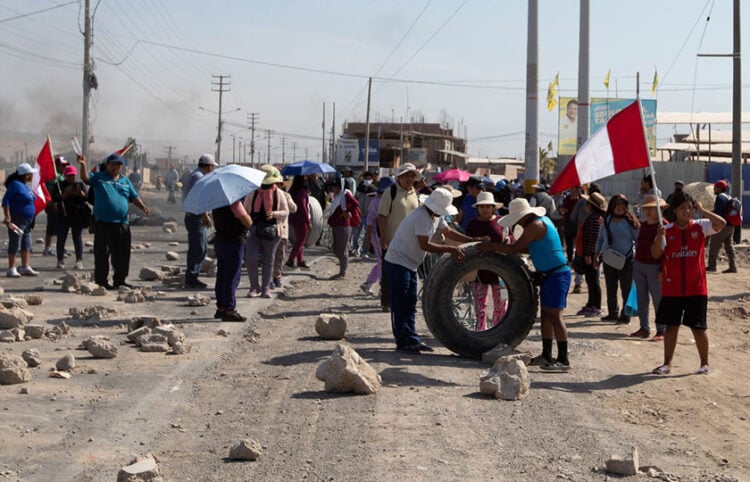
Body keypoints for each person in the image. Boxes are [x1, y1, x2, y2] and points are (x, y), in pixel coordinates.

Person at [478, 197, 572, 371]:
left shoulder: (535, 226)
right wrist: (500, 246)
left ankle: (563, 359)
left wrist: (492, 246)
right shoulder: (539, 223)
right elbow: (526, 248)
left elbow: (515, 249)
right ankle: (546, 355)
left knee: (555, 315)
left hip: (557, 274)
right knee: (546, 315)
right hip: (550, 274)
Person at [384, 188, 480, 353]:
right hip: (398, 262)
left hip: (411, 263)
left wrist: (471, 240)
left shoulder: (435, 215)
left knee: (411, 301)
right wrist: (451, 249)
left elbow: (448, 231)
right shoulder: (421, 216)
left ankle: (412, 338)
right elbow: (425, 245)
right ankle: (402, 340)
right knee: (401, 303)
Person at [651, 191, 725, 375]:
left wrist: (702, 210)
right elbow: (655, 254)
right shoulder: (665, 231)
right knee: (671, 327)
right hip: (672, 289)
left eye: (689, 208)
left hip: (696, 288)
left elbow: (722, 224)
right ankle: (667, 364)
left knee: (698, 327)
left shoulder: (701, 226)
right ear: (674, 211)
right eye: (682, 208)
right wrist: (659, 237)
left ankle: (704, 363)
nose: (687, 211)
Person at [78, 153, 150, 289]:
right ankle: (101, 281)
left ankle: (120, 280)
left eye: (118, 164)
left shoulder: (125, 181)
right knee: (102, 254)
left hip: (122, 223)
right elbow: (85, 178)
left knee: (122, 254)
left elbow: (134, 196)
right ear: (107, 165)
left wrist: (143, 207)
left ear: (121, 166)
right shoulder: (99, 178)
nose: (115, 167)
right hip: (103, 223)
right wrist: (82, 164)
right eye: (112, 164)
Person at [377, 163, 421, 312]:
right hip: (392, 240)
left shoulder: (415, 194)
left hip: (410, 242)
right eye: (405, 176)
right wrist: (383, 237)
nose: (409, 179)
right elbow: (382, 216)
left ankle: (407, 301)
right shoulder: (391, 192)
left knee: (409, 273)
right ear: (399, 177)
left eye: (411, 175)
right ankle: (386, 301)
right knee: (389, 273)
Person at [244, 165, 289, 299]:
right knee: (250, 258)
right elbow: (246, 210)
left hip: (273, 231)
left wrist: (274, 213)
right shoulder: (253, 193)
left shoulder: (279, 194)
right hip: (254, 230)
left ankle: (266, 288)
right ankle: (254, 286)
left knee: (268, 260)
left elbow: (286, 212)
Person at [465, 192, 507, 330]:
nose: (485, 209)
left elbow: (510, 240)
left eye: (488, 206)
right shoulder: (472, 224)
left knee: (501, 305)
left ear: (493, 207)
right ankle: (481, 332)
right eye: (482, 206)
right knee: (480, 307)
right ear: (477, 208)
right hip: (479, 271)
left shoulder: (502, 222)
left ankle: (498, 332)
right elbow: (466, 244)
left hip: (500, 271)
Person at [595, 193, 640, 324]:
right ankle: (612, 313)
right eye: (617, 205)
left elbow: (637, 240)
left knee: (626, 288)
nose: (620, 208)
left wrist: (638, 256)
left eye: (623, 205)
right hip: (609, 260)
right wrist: (596, 255)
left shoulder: (630, 221)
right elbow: (600, 239)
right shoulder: (607, 220)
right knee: (610, 287)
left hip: (627, 260)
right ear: (612, 206)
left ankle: (625, 316)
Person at [631, 195, 668, 340]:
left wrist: (662, 270)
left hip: (655, 266)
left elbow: (668, 251)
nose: (648, 212)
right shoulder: (644, 225)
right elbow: (639, 245)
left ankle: (661, 330)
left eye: (651, 208)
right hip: (640, 264)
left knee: (658, 299)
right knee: (641, 298)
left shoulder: (664, 226)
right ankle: (644, 327)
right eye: (646, 209)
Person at [213, 198, 252, 322]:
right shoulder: (235, 203)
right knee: (232, 277)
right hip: (233, 242)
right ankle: (229, 309)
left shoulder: (217, 203)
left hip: (220, 241)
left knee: (222, 275)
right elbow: (247, 222)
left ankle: (221, 308)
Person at [182, 154, 219, 289]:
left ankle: (192, 276)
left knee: (200, 247)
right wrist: (204, 214)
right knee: (198, 248)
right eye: (212, 167)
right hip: (196, 216)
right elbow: (198, 197)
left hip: (196, 216)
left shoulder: (196, 175)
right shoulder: (198, 177)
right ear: (208, 166)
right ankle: (191, 278)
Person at [2, 163, 40, 277]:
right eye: (30, 173)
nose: (32, 175)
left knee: (26, 243)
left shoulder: (25, 186)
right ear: (25, 175)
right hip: (17, 220)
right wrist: (7, 216)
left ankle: (25, 266)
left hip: (27, 221)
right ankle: (11, 268)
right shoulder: (15, 185)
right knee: (15, 242)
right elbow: (5, 201)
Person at [361, 177, 395, 295]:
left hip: (384, 234)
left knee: (382, 261)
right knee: (382, 262)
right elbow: (370, 222)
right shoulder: (377, 202)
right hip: (378, 234)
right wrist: (368, 238)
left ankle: (369, 284)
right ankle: (383, 288)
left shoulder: (386, 200)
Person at [575, 192, 607, 317]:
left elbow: (594, 239)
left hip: (592, 254)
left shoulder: (595, 219)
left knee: (593, 280)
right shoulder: (594, 217)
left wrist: (589, 255)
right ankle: (590, 304)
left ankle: (597, 306)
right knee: (590, 280)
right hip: (589, 253)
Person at [52, 165, 88, 271]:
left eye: (73, 176)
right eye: (69, 176)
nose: (71, 178)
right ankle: (60, 260)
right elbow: (55, 198)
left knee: (77, 238)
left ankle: (79, 260)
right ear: (65, 175)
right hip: (63, 215)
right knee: (61, 238)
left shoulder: (80, 184)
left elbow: (87, 198)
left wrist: (80, 193)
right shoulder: (59, 185)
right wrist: (65, 195)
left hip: (77, 215)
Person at [325, 178, 359, 280]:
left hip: (343, 226)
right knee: (337, 248)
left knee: (343, 249)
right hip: (336, 226)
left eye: (335, 187)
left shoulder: (345, 194)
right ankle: (342, 268)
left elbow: (355, 203)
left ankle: (342, 273)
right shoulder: (337, 196)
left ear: (340, 187)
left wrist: (347, 211)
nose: (333, 189)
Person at [707, 180, 737, 273]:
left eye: (715, 187)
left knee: (714, 245)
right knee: (729, 246)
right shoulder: (728, 197)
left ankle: (712, 266)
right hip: (730, 225)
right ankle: (733, 267)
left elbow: (719, 214)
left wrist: (710, 215)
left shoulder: (720, 198)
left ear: (719, 188)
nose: (714, 189)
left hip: (723, 225)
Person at [42, 156, 70, 257]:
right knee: (51, 226)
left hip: (61, 206)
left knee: (60, 227)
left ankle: (60, 247)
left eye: (65, 165)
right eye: (62, 165)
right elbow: (52, 191)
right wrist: (53, 203)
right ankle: (47, 248)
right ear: (56, 166)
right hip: (53, 205)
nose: (64, 167)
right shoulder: (54, 177)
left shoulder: (61, 176)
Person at [272, 179, 297, 288]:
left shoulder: (286, 195)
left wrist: (287, 199)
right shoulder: (267, 195)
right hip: (271, 231)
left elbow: (293, 208)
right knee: (270, 256)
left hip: (282, 231)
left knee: (280, 255)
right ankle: (271, 278)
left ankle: (276, 276)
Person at [286, 175, 312, 270]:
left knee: (299, 240)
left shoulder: (293, 190)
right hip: (301, 220)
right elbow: (303, 207)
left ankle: (300, 260)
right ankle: (290, 260)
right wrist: (308, 221)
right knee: (300, 241)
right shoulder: (301, 192)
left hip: (294, 219)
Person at [352, 171, 376, 257]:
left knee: (367, 234)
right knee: (355, 234)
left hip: (368, 215)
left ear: (372, 179)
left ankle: (364, 251)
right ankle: (355, 248)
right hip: (358, 214)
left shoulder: (374, 190)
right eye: (366, 178)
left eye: (369, 179)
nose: (367, 180)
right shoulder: (359, 189)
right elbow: (354, 199)